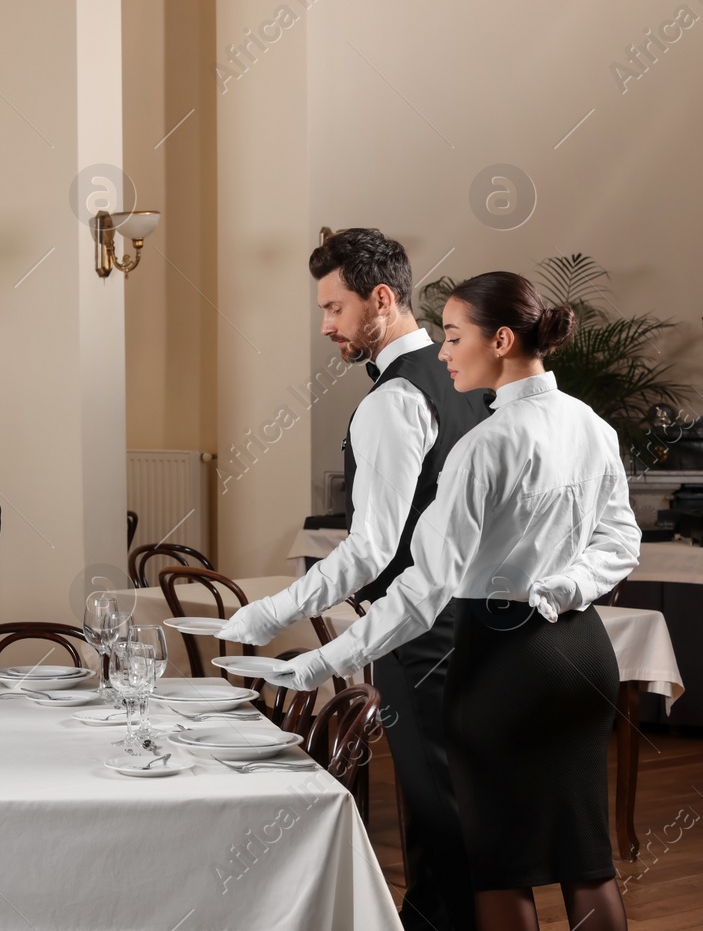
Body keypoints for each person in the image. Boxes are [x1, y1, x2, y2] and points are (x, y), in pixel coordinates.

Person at [271, 272, 637, 931]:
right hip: (583, 650)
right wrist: (565, 586)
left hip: (502, 660)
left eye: (453, 336)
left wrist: (319, 661)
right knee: (588, 858)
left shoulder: (484, 446)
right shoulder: (591, 423)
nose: (442, 352)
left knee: (498, 863)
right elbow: (620, 540)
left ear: (500, 340)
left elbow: (420, 591)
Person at [218, 228, 490, 931]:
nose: (327, 327)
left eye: (335, 309)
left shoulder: (392, 401)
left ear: (381, 298)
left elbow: (371, 550)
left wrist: (271, 610)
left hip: (420, 633)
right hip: (478, 624)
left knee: (435, 805)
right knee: (460, 801)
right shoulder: (466, 377)